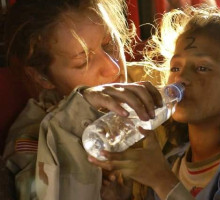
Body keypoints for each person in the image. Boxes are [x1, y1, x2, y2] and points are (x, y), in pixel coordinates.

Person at [88, 5, 220, 200]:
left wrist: (162, 182)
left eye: (202, 68)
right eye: (175, 68)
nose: (181, 79)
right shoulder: (173, 159)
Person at [2, 0, 162, 199]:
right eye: (83, 61)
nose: (114, 68)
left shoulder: (157, 81)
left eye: (109, 44)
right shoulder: (33, 139)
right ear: (41, 76)